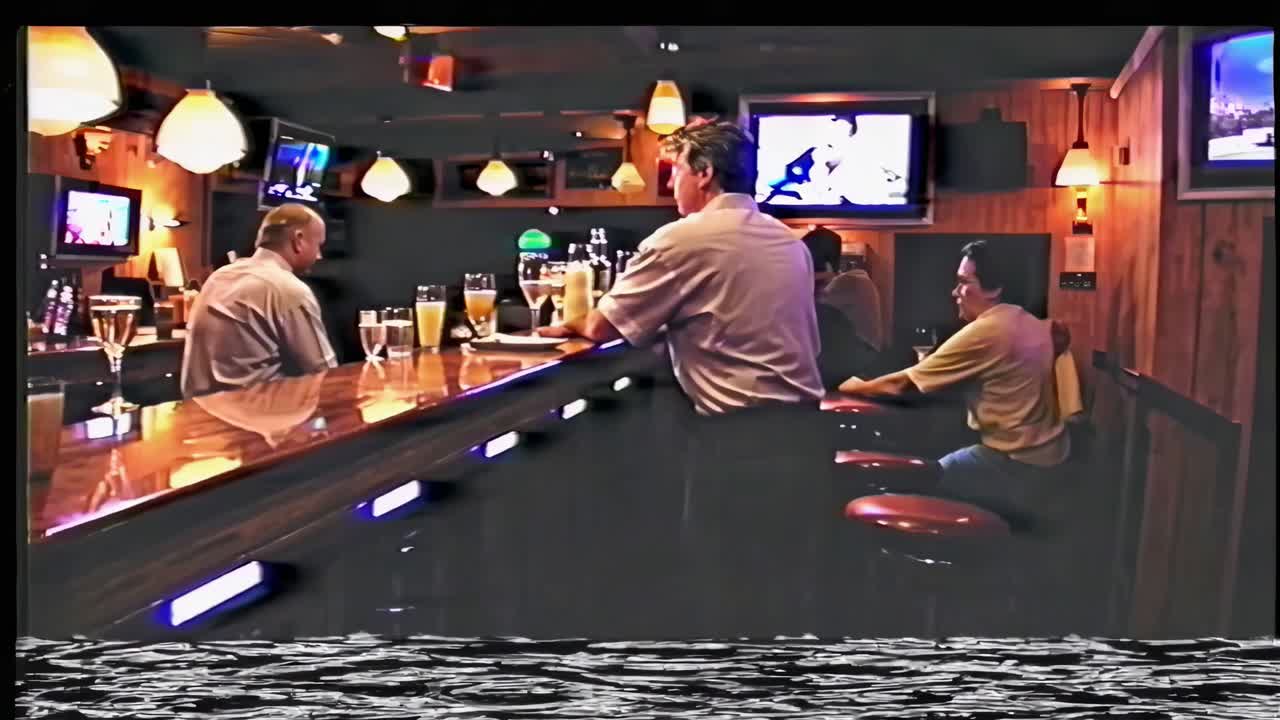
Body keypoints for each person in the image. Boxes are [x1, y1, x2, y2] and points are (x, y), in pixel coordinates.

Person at [537, 118, 824, 417]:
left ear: (704, 173)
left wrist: (570, 324)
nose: (672, 183)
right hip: (806, 425)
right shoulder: (788, 240)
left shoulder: (681, 238)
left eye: (676, 170)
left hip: (741, 436)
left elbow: (603, 326)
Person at [837, 239, 1070, 526]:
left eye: (963, 283)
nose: (955, 293)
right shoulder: (1031, 322)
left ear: (994, 289)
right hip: (1049, 462)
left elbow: (902, 386)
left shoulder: (989, 329)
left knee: (910, 483)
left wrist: (848, 386)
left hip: (1011, 466)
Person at [181, 203, 337, 398]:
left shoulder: (218, 277)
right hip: (254, 416)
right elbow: (322, 373)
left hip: (199, 411)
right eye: (318, 245)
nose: (319, 255)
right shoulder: (288, 288)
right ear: (298, 240)